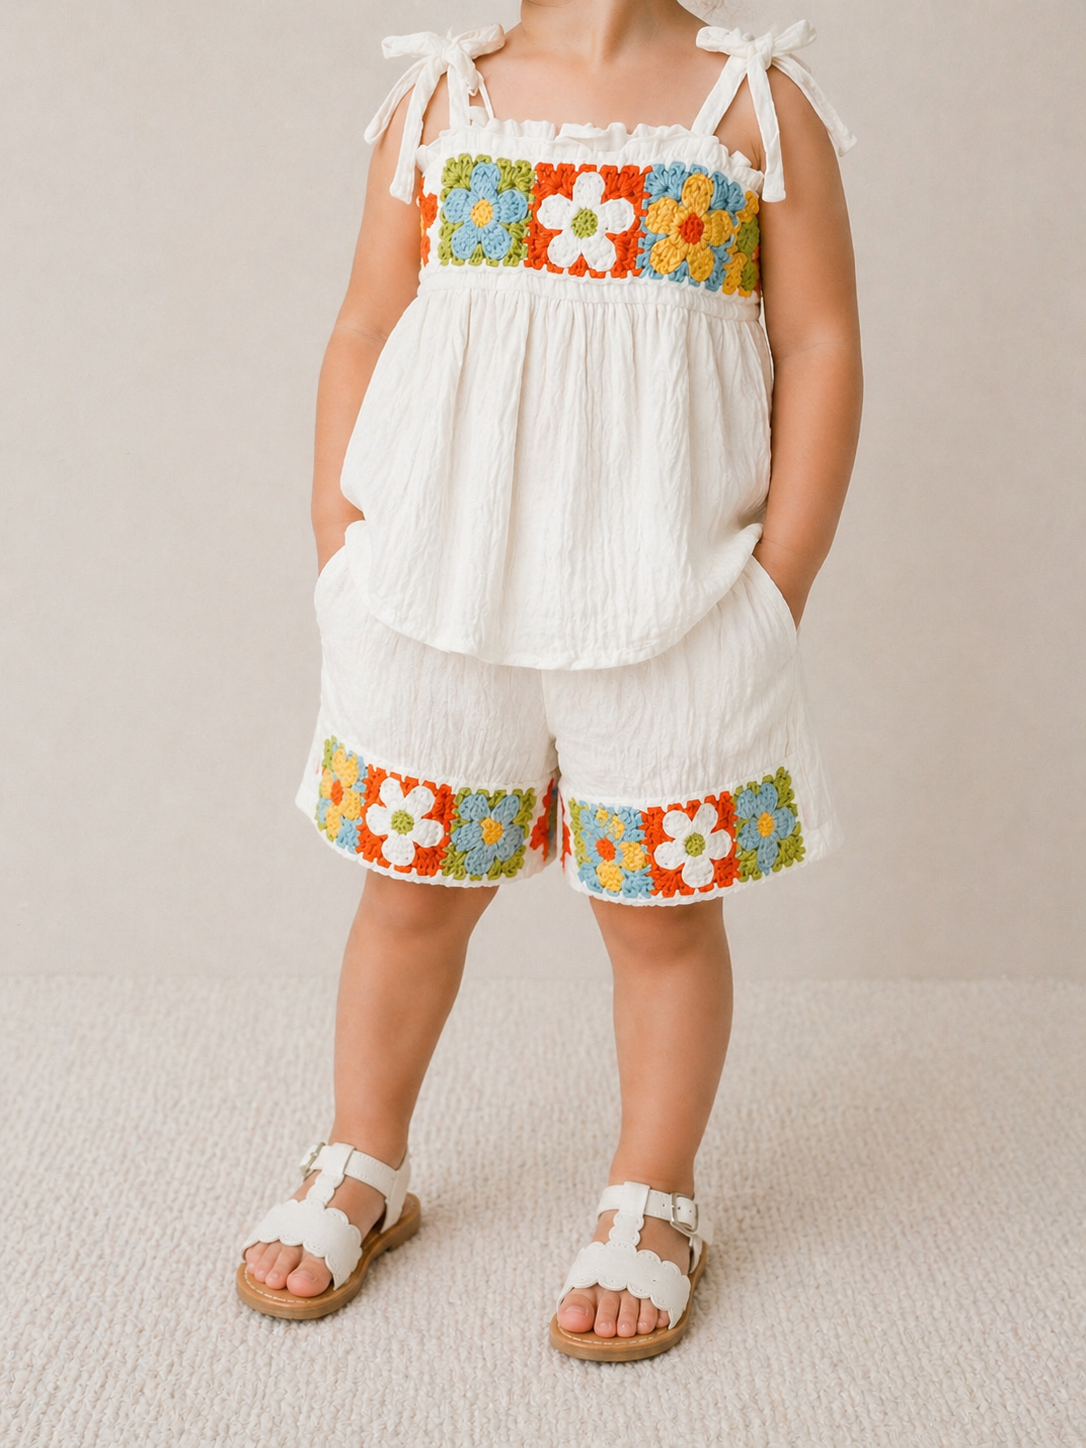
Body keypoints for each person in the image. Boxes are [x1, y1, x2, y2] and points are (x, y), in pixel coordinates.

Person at [237, 0, 861, 1362]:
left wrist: (780, 580)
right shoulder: (443, 101)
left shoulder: (749, 105)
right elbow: (364, 321)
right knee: (410, 891)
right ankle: (364, 1156)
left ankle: (654, 1193)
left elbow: (817, 344)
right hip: (437, 589)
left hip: (669, 592)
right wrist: (339, 539)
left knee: (655, 914)